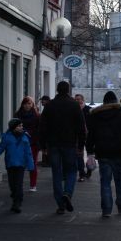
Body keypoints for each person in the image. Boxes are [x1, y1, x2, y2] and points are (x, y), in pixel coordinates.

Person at [39, 81, 86, 214]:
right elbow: (81, 127)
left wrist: (43, 146)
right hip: (69, 143)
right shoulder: (74, 105)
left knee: (57, 173)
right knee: (71, 170)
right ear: (68, 90)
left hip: (53, 144)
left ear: (57, 90)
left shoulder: (50, 106)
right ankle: (68, 193)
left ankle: (60, 203)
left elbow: (42, 126)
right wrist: (81, 145)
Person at [86, 91, 121, 217]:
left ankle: (106, 209)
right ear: (115, 101)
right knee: (120, 181)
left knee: (105, 182)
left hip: (103, 153)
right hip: (120, 152)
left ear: (104, 102)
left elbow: (91, 135)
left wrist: (90, 151)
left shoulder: (96, 115)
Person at [0, 118, 35, 213]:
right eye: (19, 126)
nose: (21, 127)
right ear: (13, 127)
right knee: (12, 184)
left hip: (20, 165)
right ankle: (15, 197)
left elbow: (28, 153)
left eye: (22, 126)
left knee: (18, 184)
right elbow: (0, 149)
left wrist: (31, 165)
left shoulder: (25, 137)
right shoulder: (7, 137)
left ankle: (17, 203)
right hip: (10, 164)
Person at [14, 96, 41, 191]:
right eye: (25, 103)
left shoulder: (37, 116)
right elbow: (13, 128)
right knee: (19, 164)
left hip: (33, 143)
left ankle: (33, 185)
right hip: (20, 143)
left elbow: (39, 130)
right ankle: (18, 184)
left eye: (29, 103)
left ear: (32, 104)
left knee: (32, 164)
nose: (27, 105)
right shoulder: (17, 115)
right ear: (22, 104)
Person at [74, 94, 92, 182]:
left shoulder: (88, 109)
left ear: (82, 100)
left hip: (88, 136)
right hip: (78, 136)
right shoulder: (73, 110)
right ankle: (81, 173)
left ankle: (89, 170)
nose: (77, 101)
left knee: (90, 154)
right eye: (76, 99)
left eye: (79, 99)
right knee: (79, 155)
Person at [38, 95, 52, 167]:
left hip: (47, 132)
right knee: (45, 147)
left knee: (46, 147)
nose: (41, 102)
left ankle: (47, 161)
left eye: (42, 101)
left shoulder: (48, 107)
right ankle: (45, 161)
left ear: (46, 100)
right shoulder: (48, 107)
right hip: (46, 131)